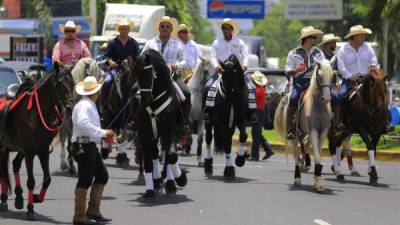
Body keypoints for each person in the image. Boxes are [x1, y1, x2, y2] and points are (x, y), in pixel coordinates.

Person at [71, 76, 114, 225]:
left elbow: (87, 126)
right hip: (84, 146)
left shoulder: (88, 104)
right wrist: (103, 133)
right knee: (85, 179)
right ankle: (79, 216)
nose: (100, 93)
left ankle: (93, 211)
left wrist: (102, 133)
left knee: (102, 175)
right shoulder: (85, 105)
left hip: (88, 145)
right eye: (98, 91)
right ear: (95, 92)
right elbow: (83, 124)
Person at [335, 24, 392, 133]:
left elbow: (374, 60)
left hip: (368, 79)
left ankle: (386, 122)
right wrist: (350, 76)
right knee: (340, 96)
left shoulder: (367, 47)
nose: (364, 37)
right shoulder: (343, 50)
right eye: (362, 35)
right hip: (350, 80)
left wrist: (373, 67)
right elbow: (341, 67)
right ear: (355, 36)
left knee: (382, 92)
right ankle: (341, 122)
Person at [142, 16, 191, 132]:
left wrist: (176, 66)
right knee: (134, 90)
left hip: (171, 77)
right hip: (152, 78)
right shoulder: (150, 42)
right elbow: (142, 57)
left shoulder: (177, 44)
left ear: (171, 29)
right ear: (159, 28)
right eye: (162, 26)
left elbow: (185, 61)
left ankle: (184, 123)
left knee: (186, 93)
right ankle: (131, 121)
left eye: (167, 27)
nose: (165, 28)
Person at [204, 18, 255, 123]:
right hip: (221, 72)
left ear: (232, 29)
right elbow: (213, 56)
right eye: (223, 28)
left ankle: (251, 113)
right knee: (208, 86)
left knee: (251, 87)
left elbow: (245, 55)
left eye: (227, 28)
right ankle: (207, 112)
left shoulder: (239, 42)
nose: (225, 30)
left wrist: (244, 66)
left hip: (237, 73)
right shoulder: (216, 42)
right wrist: (216, 66)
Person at [284, 26, 325, 140]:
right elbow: (286, 70)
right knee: (293, 98)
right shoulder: (293, 53)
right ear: (307, 39)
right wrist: (295, 70)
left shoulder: (319, 52)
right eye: (313, 37)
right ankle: (290, 128)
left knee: (328, 96)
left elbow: (326, 66)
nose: (315, 39)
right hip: (300, 82)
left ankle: (330, 124)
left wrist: (319, 66)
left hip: (315, 81)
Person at [319, 33, 343, 135]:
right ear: (328, 43)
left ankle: (337, 123)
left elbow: (338, 71)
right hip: (321, 86)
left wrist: (337, 73)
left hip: (332, 86)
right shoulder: (320, 56)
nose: (335, 44)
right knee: (336, 97)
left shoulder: (334, 57)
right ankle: (336, 124)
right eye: (333, 42)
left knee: (341, 97)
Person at [249, 71, 274, 161]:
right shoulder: (262, 89)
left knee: (255, 133)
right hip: (261, 111)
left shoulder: (257, 90)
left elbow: (251, 102)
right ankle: (268, 149)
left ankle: (255, 156)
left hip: (257, 112)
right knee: (256, 133)